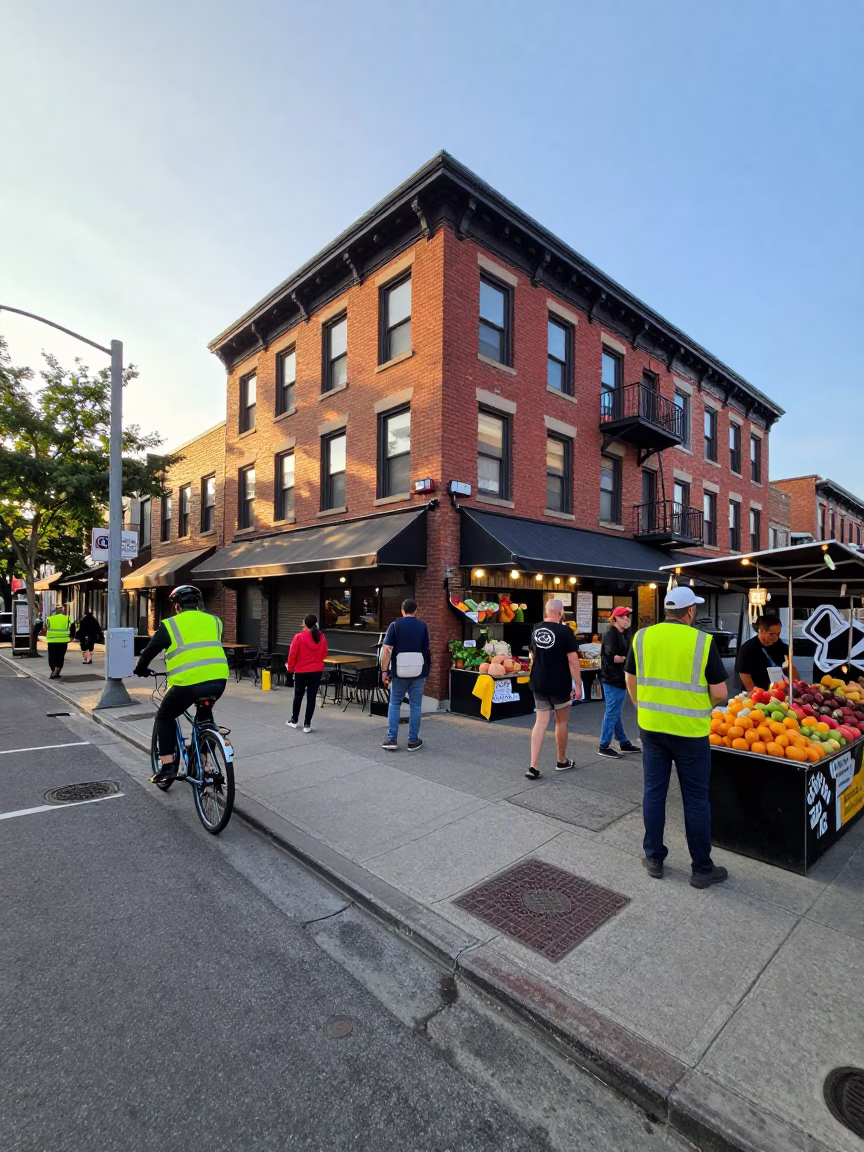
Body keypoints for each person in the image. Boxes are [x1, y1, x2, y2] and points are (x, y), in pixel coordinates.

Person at [625, 586, 729, 888]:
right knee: (696, 799)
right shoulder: (702, 640)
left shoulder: (642, 636)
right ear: (690, 611)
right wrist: (699, 706)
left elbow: (630, 679)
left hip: (652, 727)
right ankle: (701, 868)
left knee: (654, 792)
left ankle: (654, 858)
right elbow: (720, 693)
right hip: (690, 733)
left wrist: (641, 705)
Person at [133, 585, 229, 785]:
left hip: (187, 683)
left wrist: (140, 669)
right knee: (203, 718)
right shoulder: (215, 621)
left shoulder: (170, 625)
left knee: (165, 716)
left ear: (176, 606)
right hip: (218, 681)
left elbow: (149, 652)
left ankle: (168, 766)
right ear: (198, 603)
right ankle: (203, 757)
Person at [525, 598, 582, 779]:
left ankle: (533, 766)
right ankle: (561, 760)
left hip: (539, 681)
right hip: (559, 682)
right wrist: (578, 685)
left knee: (540, 722)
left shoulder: (536, 628)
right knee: (561, 722)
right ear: (561, 612)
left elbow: (533, 653)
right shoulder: (565, 631)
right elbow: (573, 661)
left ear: (546, 611)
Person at [380, 599, 430, 752]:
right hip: (419, 672)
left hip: (399, 672)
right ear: (416, 610)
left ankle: (391, 739)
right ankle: (413, 740)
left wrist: (384, 671)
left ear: (402, 610)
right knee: (415, 706)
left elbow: (387, 650)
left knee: (394, 704)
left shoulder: (395, 625)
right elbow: (426, 650)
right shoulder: (423, 626)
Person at [598, 606, 641, 758]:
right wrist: (628, 660)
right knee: (612, 711)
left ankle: (623, 742)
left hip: (619, 678)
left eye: (627, 617)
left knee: (615, 711)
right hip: (611, 678)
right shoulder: (610, 635)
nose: (627, 619)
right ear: (615, 618)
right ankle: (604, 745)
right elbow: (611, 656)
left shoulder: (624, 635)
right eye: (623, 617)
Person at [285, 614, 328, 733]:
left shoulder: (298, 637)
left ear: (305, 624)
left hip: (301, 671)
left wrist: (290, 670)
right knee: (311, 698)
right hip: (316, 671)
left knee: (298, 696)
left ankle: (294, 720)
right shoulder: (321, 637)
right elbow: (324, 655)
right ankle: (307, 724)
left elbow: (292, 655)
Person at [736, 613, 798, 692]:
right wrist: (756, 693)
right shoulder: (748, 648)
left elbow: (791, 667)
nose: (775, 638)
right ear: (761, 631)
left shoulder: (782, 646)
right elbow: (745, 676)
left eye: (778, 634)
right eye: (771, 634)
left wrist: (796, 686)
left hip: (779, 691)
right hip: (757, 692)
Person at [43, 604, 75, 679]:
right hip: (63, 641)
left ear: (55, 611)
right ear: (62, 610)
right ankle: (57, 670)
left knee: (52, 657)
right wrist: (71, 637)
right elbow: (73, 627)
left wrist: (47, 635)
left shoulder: (49, 619)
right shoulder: (67, 618)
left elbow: (44, 629)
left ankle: (54, 669)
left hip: (52, 641)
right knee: (60, 656)